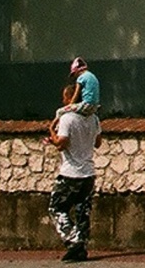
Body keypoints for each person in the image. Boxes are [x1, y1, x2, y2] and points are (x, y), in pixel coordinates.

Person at [46, 82, 101, 261]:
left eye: (64, 97)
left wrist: (51, 134)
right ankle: (82, 248)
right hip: (89, 172)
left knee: (56, 208)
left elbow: (61, 144)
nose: (63, 101)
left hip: (70, 173)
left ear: (71, 99)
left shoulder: (67, 118)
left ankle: (73, 240)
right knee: (82, 212)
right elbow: (97, 142)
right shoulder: (94, 118)